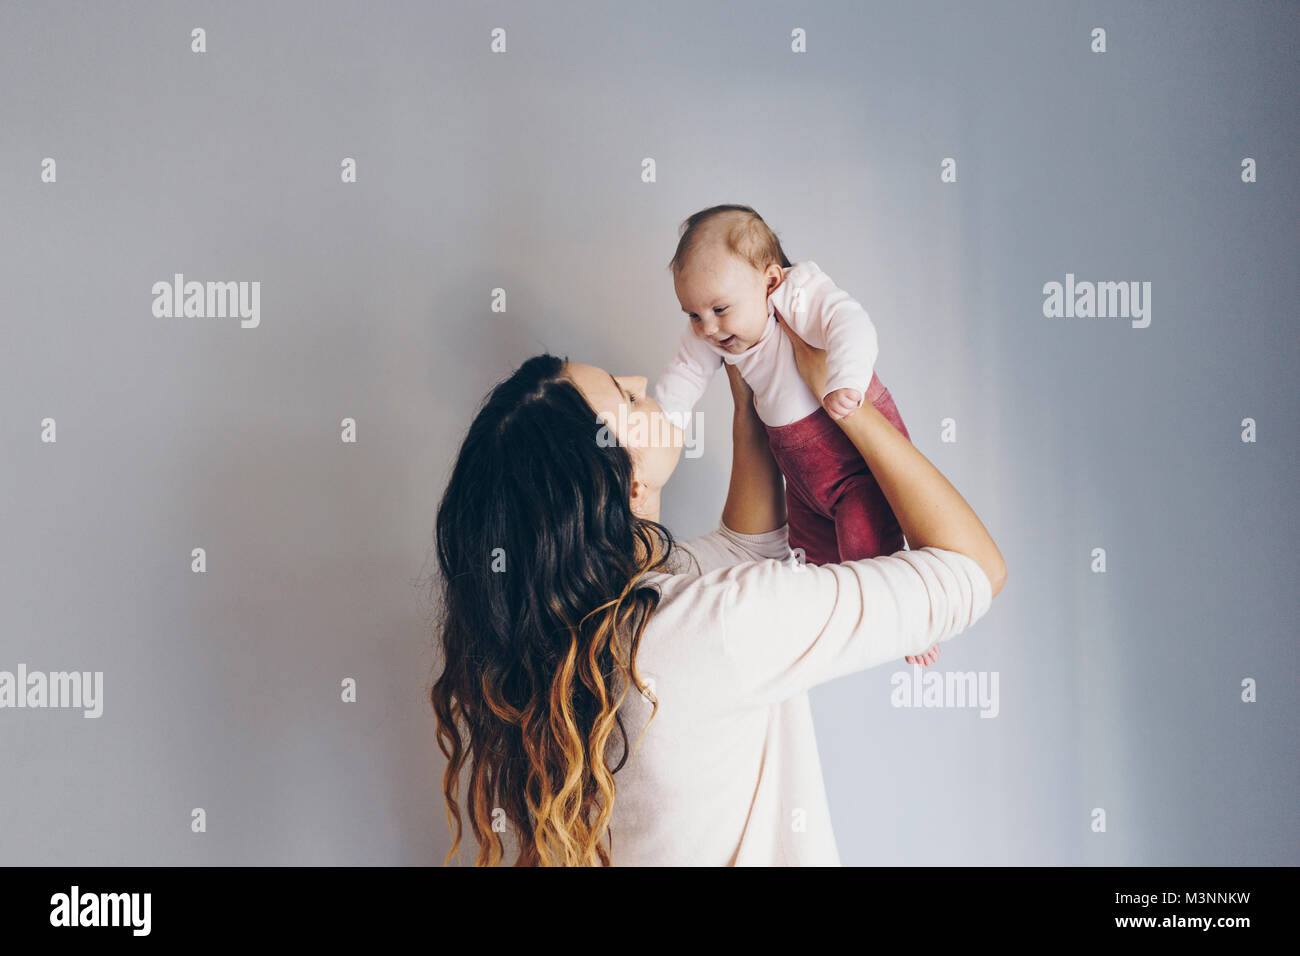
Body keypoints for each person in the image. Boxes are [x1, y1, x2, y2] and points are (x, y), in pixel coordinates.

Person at [430, 315, 1006, 866]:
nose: (637, 382)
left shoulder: (604, 624)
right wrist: (845, 399)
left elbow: (742, 551)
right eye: (626, 399)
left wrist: (752, 387)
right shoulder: (711, 626)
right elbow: (974, 568)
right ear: (632, 486)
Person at [655, 204, 940, 667]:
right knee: (810, 568)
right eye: (692, 314)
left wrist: (846, 378)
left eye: (719, 309)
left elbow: (851, 322)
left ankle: (908, 620)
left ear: (769, 281)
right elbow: (683, 376)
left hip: (848, 456)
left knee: (866, 548)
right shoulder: (713, 334)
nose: (707, 328)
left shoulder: (798, 294)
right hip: (800, 474)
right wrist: (661, 427)